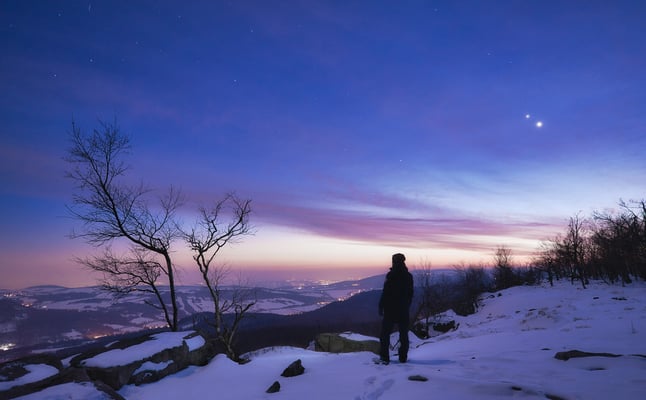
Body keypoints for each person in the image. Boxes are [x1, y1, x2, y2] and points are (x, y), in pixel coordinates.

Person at [378, 253, 414, 364]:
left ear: (393, 261)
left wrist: (381, 306)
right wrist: (406, 306)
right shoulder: (408, 276)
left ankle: (385, 357)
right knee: (403, 334)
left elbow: (385, 293)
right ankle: (403, 358)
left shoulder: (390, 276)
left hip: (390, 310)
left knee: (385, 334)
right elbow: (410, 294)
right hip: (403, 310)